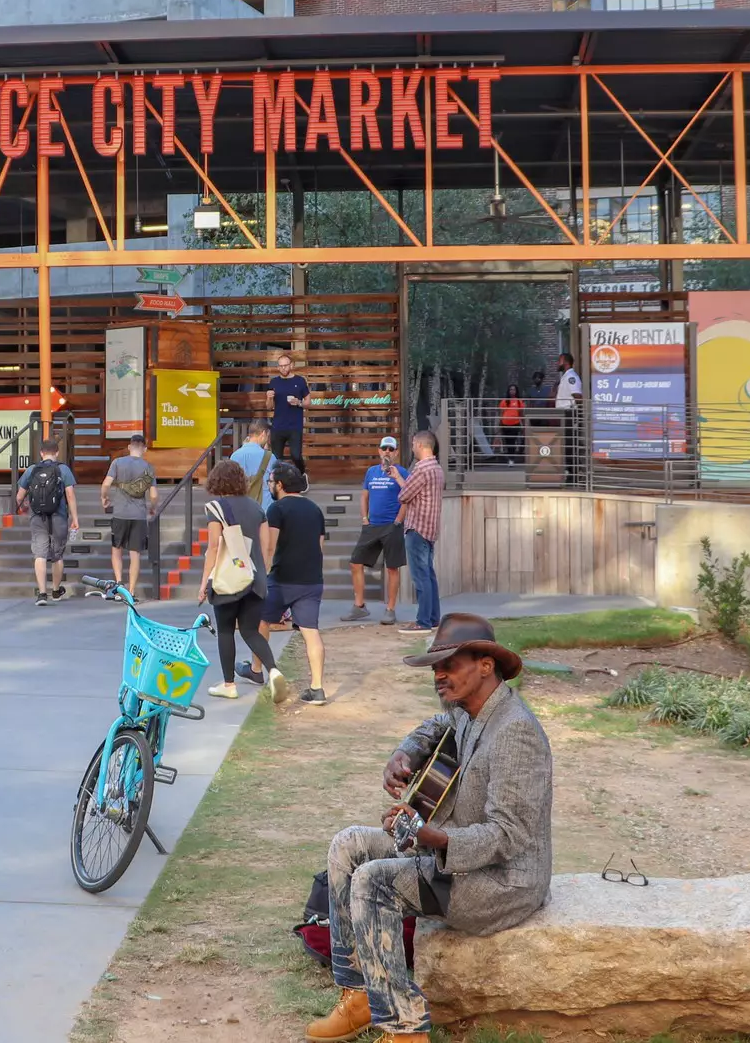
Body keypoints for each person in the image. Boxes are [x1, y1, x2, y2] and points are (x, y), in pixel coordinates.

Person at [305, 615, 553, 1043]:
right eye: (435, 666)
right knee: (348, 846)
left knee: (373, 881)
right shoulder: (466, 711)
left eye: (449, 664)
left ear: (485, 665)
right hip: (455, 854)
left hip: (501, 883)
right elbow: (434, 727)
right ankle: (360, 995)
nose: (439, 675)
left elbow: (508, 836)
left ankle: (405, 1030)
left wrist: (430, 837)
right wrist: (405, 754)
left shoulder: (516, 732)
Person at [197, 461, 285, 703]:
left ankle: (229, 684)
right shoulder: (258, 509)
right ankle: (274, 670)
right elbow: (267, 547)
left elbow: (213, 548)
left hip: (227, 580)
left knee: (225, 631)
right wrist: (262, 573)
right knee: (249, 630)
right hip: (255, 579)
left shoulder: (215, 507)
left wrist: (204, 582)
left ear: (217, 481)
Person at [262, 462, 329, 705]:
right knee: (311, 633)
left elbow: (270, 546)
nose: (269, 486)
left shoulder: (276, 509)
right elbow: (319, 547)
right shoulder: (315, 509)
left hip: (281, 579)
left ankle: (260, 669)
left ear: (279, 485)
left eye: (270, 482)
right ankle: (317, 688)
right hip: (311, 580)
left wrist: (263, 573)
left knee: (261, 621)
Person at [345, 436, 407, 625]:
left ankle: (390, 609)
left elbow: (407, 496)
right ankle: (359, 606)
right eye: (384, 448)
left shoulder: (402, 472)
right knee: (355, 562)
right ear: (379, 451)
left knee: (392, 568)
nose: (387, 452)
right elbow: (365, 496)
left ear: (396, 452)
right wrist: (365, 518)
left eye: (391, 449)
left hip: (392, 526)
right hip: (372, 525)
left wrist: (398, 520)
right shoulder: (371, 472)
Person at [15, 436, 78, 606]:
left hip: (37, 516)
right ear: (56, 452)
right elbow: (70, 495)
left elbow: (19, 496)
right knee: (57, 555)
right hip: (59, 515)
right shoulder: (63, 470)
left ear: (41, 453)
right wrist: (75, 518)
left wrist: (24, 507)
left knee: (40, 554)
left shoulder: (32, 470)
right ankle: (56, 590)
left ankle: (42, 593)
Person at [394, 431, 445, 636]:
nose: (412, 447)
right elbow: (414, 492)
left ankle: (422, 621)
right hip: (430, 528)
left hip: (417, 528)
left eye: (414, 443)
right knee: (429, 575)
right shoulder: (436, 468)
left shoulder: (421, 469)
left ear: (421, 445)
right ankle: (433, 618)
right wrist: (398, 477)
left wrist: (400, 483)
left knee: (420, 576)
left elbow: (404, 496)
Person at [100, 433, 157, 600]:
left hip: (120, 513)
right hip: (138, 515)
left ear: (129, 447)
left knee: (116, 549)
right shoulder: (149, 468)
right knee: (135, 554)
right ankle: (131, 591)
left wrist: (104, 498)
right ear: (144, 449)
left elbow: (106, 484)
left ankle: (119, 584)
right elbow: (153, 495)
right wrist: (152, 508)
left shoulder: (117, 463)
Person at [266, 351, 310, 470]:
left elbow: (308, 402)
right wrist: (269, 398)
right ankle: (277, 481)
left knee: (296, 456)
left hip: (295, 426)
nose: (283, 368)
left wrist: (299, 403)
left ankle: (302, 475)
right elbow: (269, 407)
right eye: (280, 366)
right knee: (276, 457)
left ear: (291, 365)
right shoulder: (274, 382)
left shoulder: (299, 381)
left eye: (285, 365)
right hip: (278, 426)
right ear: (277, 367)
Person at [229, 417, 277, 513]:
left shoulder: (235, 455)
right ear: (263, 433)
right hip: (265, 508)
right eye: (268, 436)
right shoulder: (269, 457)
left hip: (241, 509)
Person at [554, 352, 584, 481]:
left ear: (565, 362)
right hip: (565, 414)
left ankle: (573, 475)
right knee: (567, 445)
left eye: (558, 361)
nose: (557, 364)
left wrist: (576, 413)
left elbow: (577, 395)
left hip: (569, 414)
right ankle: (571, 473)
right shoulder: (566, 377)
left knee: (571, 445)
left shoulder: (571, 376)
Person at [498, 383, 525, 465]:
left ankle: (511, 459)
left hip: (515, 424)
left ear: (516, 391)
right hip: (505, 424)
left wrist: (523, 425)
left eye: (513, 389)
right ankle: (509, 457)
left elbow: (521, 414)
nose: (512, 391)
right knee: (507, 441)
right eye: (510, 389)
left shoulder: (519, 402)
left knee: (512, 441)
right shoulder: (504, 401)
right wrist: (499, 425)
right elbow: (501, 413)